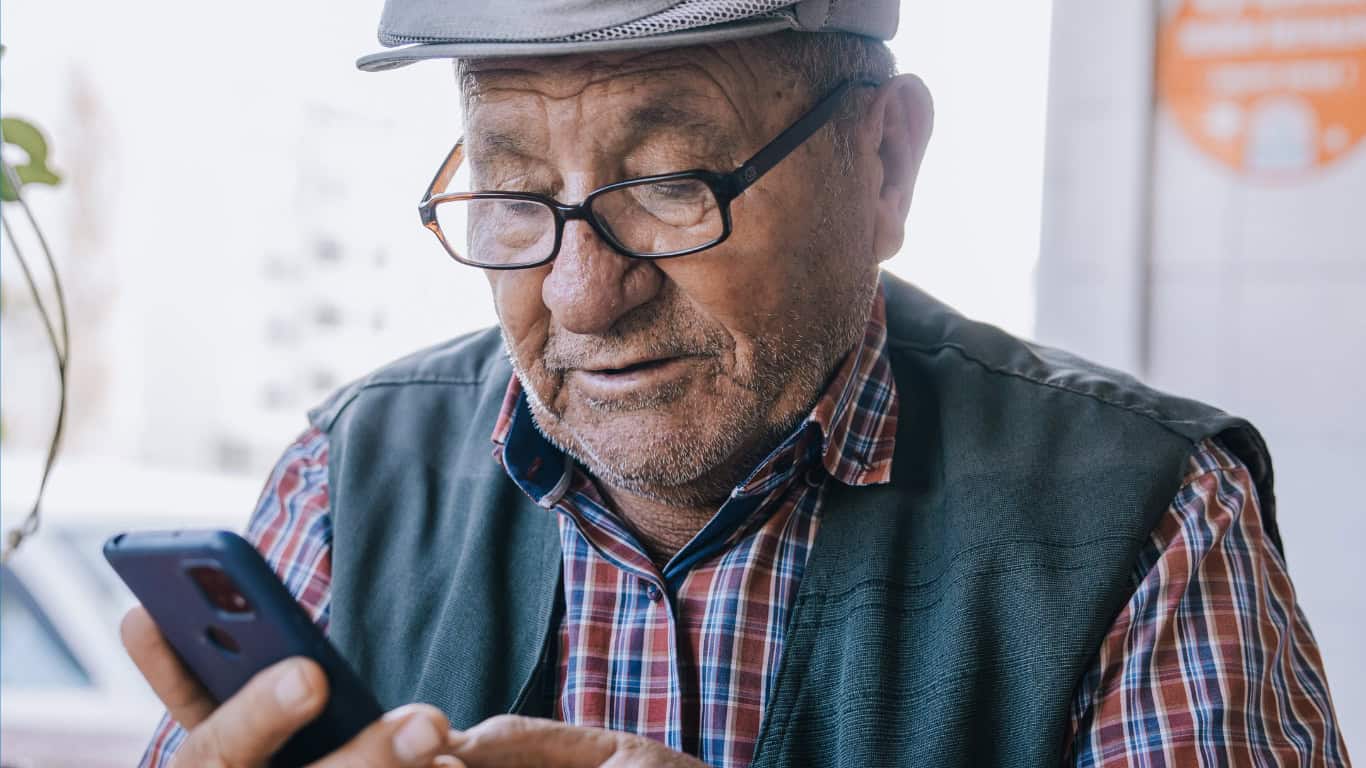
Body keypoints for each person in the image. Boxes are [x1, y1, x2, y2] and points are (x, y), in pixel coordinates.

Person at [122, 1, 1350, 766]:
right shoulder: (346, 480)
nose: (580, 297)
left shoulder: (1144, 519)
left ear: (884, 164)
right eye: (510, 197)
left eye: (669, 184)